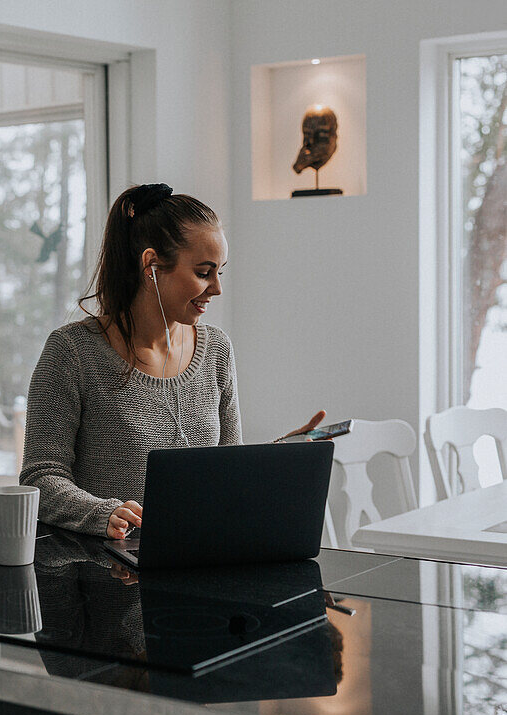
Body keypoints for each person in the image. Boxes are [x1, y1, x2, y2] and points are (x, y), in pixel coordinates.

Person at [19, 183, 324, 540]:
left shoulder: (216, 351)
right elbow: (40, 476)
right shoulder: (71, 352)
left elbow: (227, 473)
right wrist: (103, 513)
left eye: (219, 272)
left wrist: (282, 457)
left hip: (201, 565)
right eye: (203, 272)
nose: (217, 288)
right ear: (151, 265)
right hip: (110, 575)